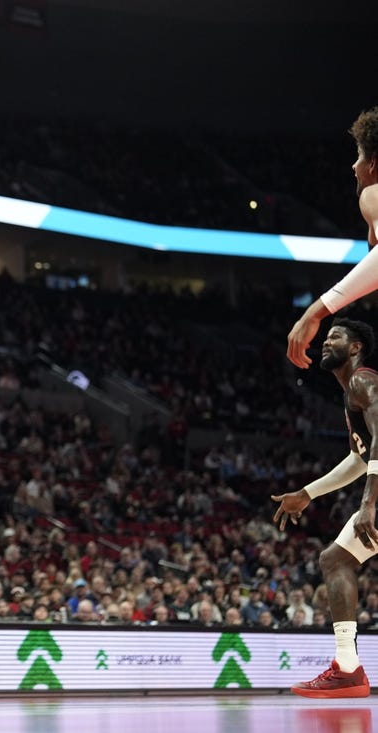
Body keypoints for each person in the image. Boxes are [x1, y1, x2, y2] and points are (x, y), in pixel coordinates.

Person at [273, 318, 378, 697]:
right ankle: (347, 668)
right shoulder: (351, 392)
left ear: (355, 348)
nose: (325, 342)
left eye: (335, 337)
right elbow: (358, 458)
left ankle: (348, 669)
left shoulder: (363, 380)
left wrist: (369, 503)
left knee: (336, 561)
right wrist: (308, 493)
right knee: (335, 561)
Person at [287, 107, 378, 368]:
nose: (354, 165)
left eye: (359, 156)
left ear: (372, 163)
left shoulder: (373, 193)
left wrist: (316, 311)